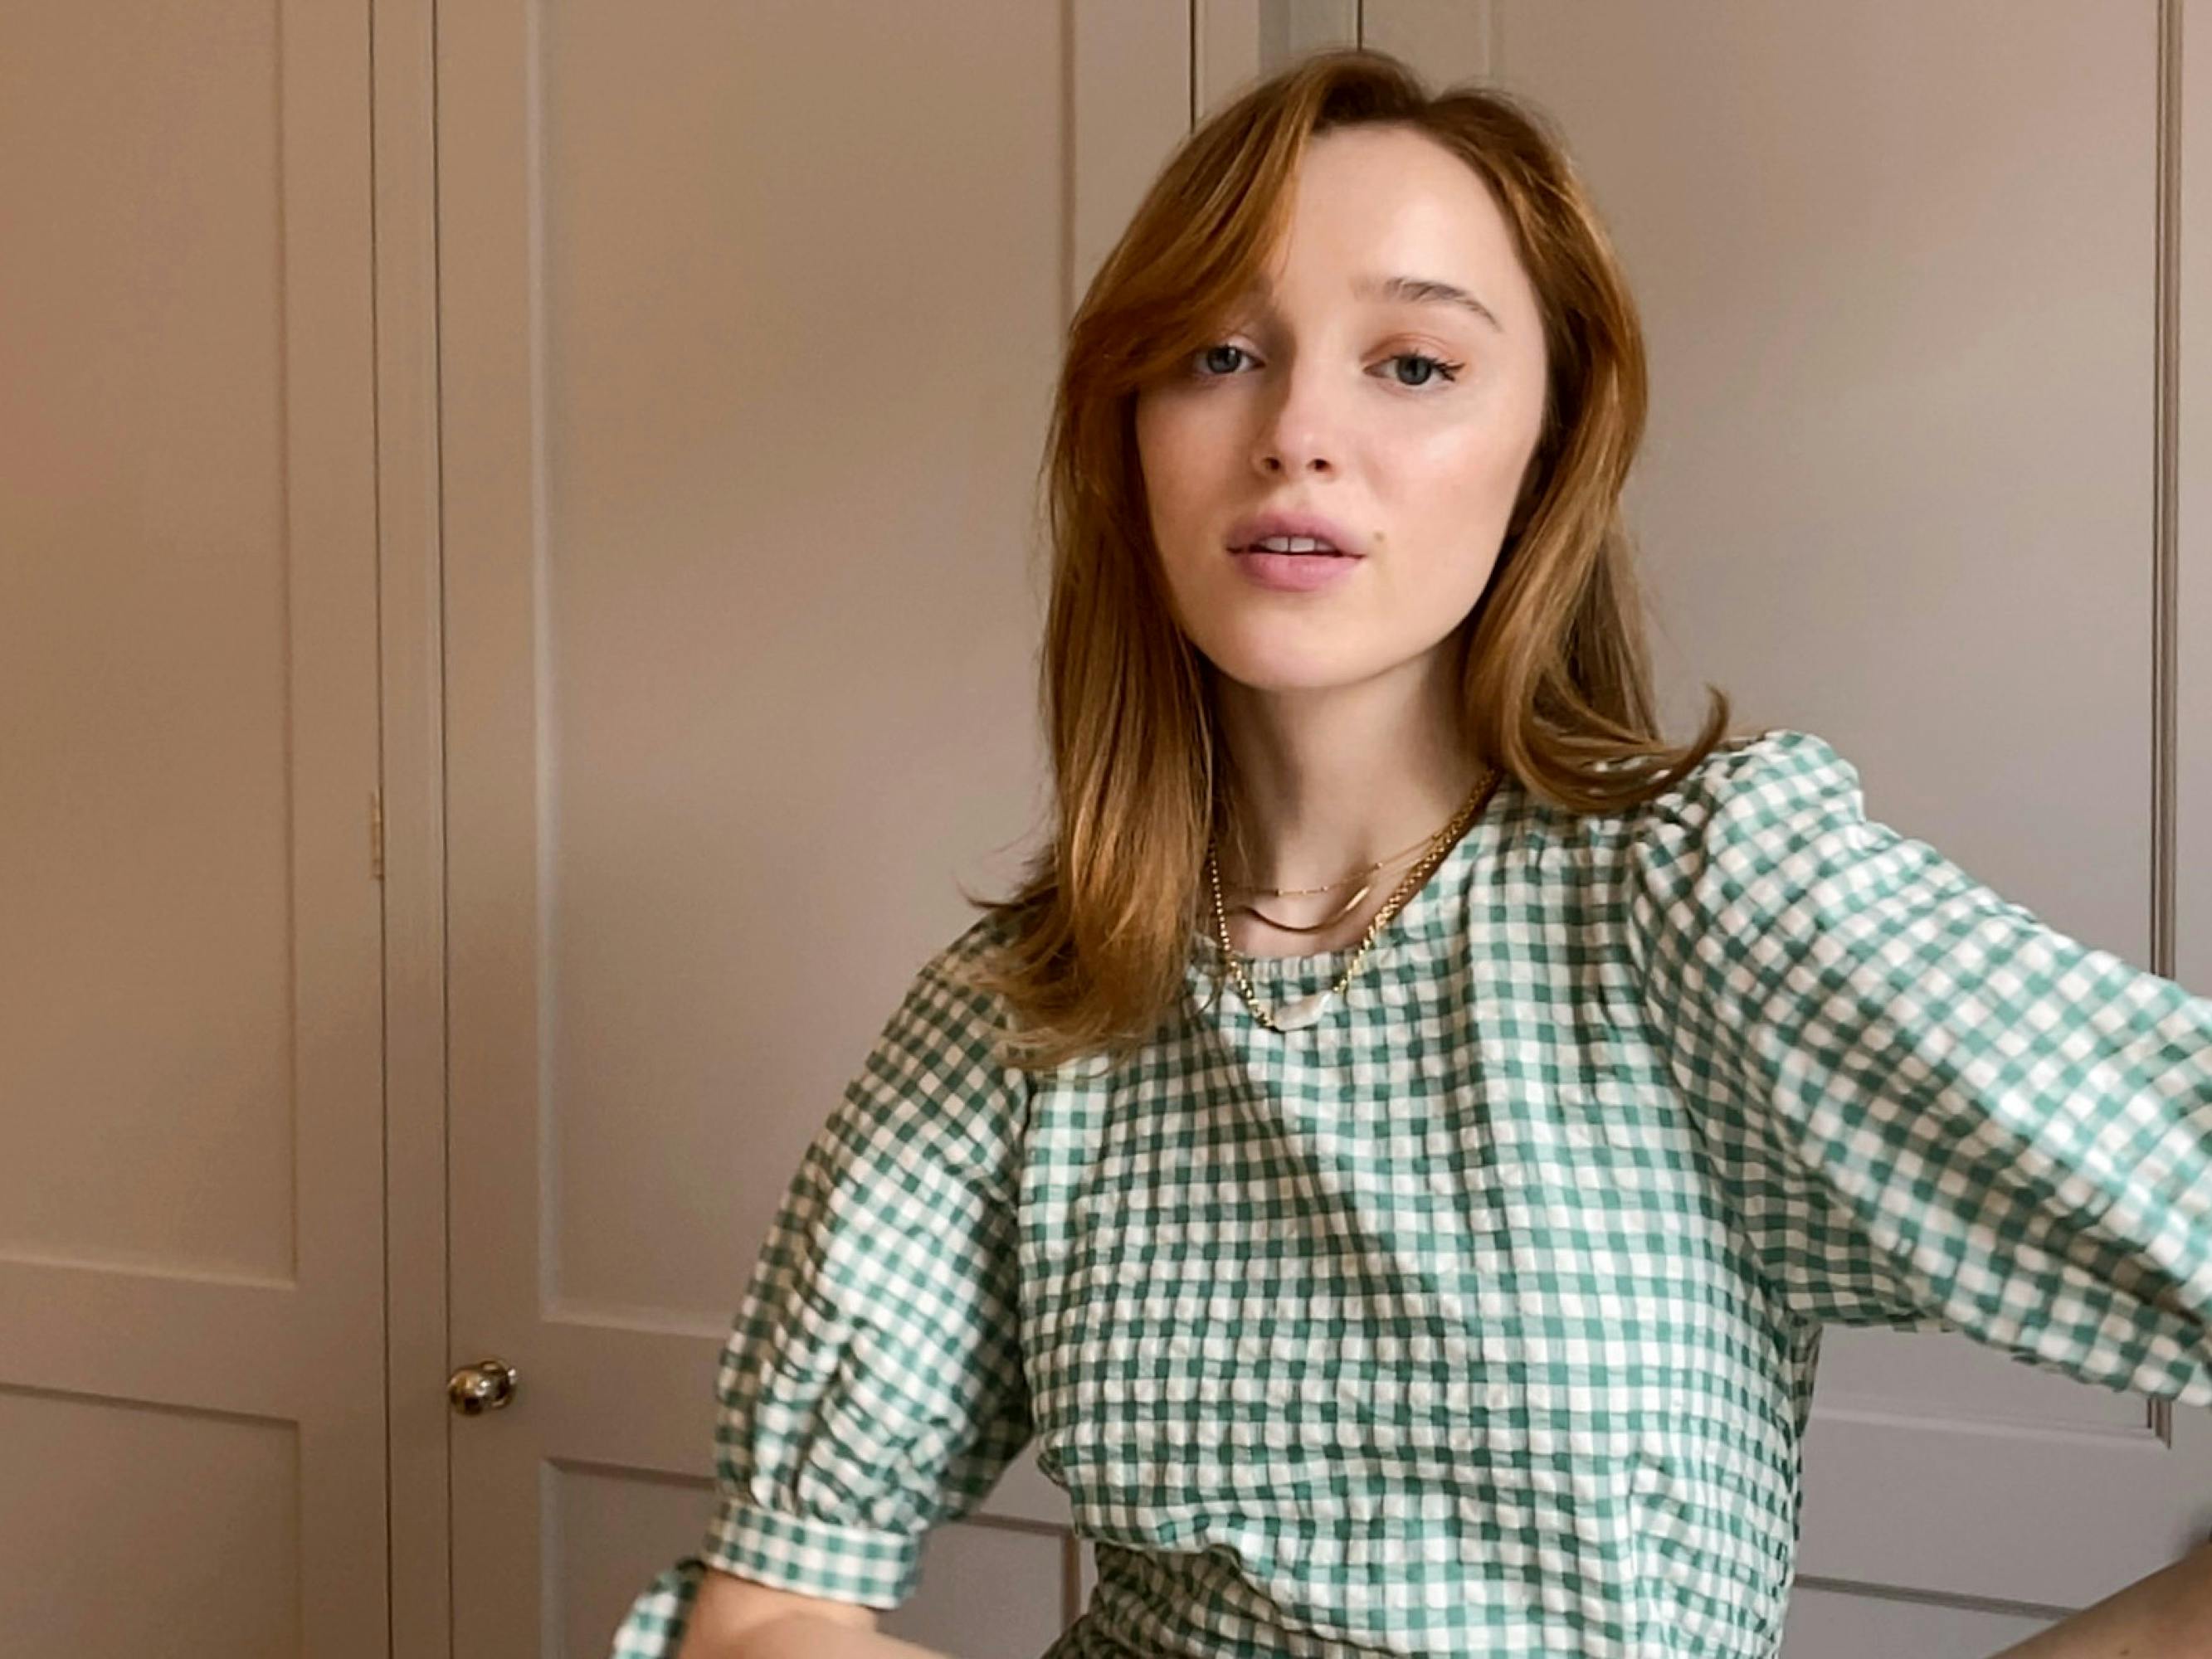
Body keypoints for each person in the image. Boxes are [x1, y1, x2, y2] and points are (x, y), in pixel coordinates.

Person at [612, 47, 2212, 1659]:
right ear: (1131, 433)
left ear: (1548, 444)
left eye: (1415, 363)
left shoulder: (1705, 903)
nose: (1297, 428)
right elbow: (769, 1601)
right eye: (1220, 352)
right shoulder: (1030, 1010)